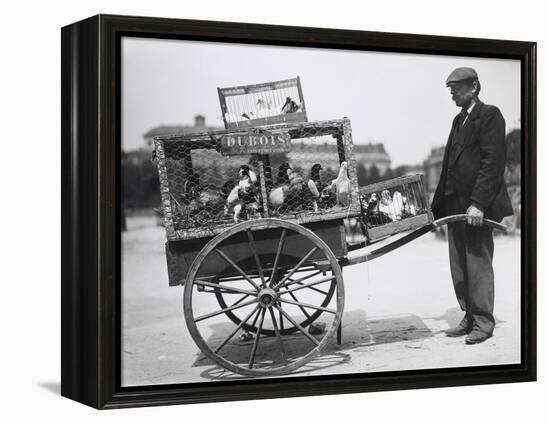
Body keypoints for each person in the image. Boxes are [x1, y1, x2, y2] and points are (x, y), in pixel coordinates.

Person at [431, 67, 513, 344]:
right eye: (450, 87)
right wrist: (436, 209)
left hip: (475, 207)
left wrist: (478, 204)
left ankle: (483, 322)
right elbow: (447, 167)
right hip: (455, 205)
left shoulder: (489, 115)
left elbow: (492, 164)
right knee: (459, 265)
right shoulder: (458, 120)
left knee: (477, 263)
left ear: (474, 87)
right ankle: (469, 315)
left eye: (455, 87)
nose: (451, 92)